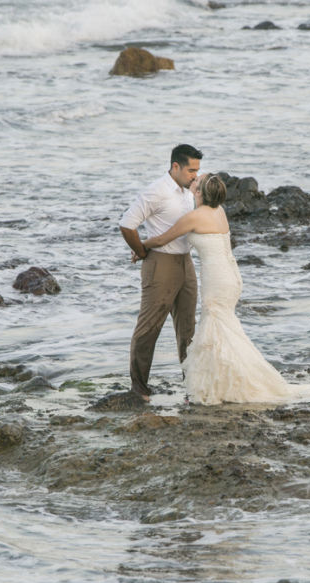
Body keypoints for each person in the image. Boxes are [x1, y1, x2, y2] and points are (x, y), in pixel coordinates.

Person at [135, 174, 310, 405]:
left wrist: (139, 247)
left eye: (197, 184)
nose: (194, 183)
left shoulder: (194, 216)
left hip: (218, 280)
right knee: (225, 331)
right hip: (232, 277)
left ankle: (223, 383)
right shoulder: (219, 211)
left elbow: (163, 239)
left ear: (200, 193)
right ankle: (224, 378)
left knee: (216, 329)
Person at [118, 144, 202, 401]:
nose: (195, 176)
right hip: (160, 265)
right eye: (191, 170)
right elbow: (127, 223)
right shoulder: (156, 191)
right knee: (149, 327)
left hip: (185, 262)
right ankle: (140, 389)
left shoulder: (188, 191)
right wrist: (142, 252)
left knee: (188, 329)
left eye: (198, 171)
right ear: (175, 166)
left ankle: (192, 386)